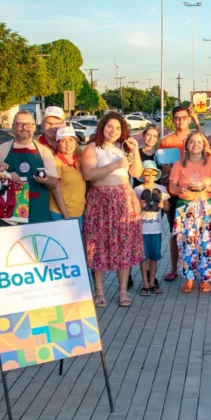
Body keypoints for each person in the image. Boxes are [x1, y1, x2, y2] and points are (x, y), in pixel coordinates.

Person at [81, 111, 144, 308]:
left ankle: (123, 290)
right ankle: (99, 290)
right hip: (100, 201)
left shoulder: (124, 147)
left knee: (123, 245)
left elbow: (136, 173)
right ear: (102, 127)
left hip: (123, 200)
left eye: (118, 128)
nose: (113, 131)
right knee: (98, 245)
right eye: (110, 126)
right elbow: (89, 174)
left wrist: (134, 152)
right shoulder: (93, 147)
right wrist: (116, 164)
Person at [169, 131, 211, 293]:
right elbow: (172, 187)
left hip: (207, 206)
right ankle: (189, 277)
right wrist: (182, 189)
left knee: (206, 243)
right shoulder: (179, 164)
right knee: (187, 243)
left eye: (199, 142)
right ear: (186, 145)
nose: (195, 145)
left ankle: (205, 278)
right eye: (192, 142)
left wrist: (206, 189)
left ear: (204, 145)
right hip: (186, 207)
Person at [0, 110, 67, 225]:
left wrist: (46, 180)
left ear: (34, 127)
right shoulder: (2, 150)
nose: (24, 127)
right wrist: (6, 176)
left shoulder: (44, 152)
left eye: (28, 124)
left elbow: (54, 183)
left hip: (38, 211)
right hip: (9, 214)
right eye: (19, 124)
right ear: (13, 127)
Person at [160, 105, 207, 282]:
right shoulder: (167, 142)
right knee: (176, 233)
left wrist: (197, 120)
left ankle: (199, 267)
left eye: (184, 117)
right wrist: (173, 177)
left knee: (199, 233)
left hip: (198, 196)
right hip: (176, 196)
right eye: (177, 118)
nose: (181, 121)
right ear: (173, 120)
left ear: (189, 119)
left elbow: (207, 151)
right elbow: (164, 172)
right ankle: (174, 268)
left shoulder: (196, 138)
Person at [134, 161, 169, 296]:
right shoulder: (137, 190)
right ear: (142, 174)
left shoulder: (161, 188)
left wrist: (161, 205)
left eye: (152, 172)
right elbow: (132, 209)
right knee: (143, 257)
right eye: (146, 172)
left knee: (154, 255)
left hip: (156, 229)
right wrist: (139, 205)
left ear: (156, 174)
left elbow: (167, 208)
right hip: (142, 229)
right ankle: (144, 282)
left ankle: (153, 280)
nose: (149, 175)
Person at [50, 126, 86, 227]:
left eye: (71, 140)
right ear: (57, 143)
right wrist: (66, 217)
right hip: (61, 214)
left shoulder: (80, 160)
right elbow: (55, 191)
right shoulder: (55, 161)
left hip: (79, 213)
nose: (68, 144)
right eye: (63, 141)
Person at [133, 124, 160, 188]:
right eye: (148, 135)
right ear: (143, 135)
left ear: (157, 138)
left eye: (155, 136)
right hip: (138, 192)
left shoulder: (160, 155)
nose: (151, 138)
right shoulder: (136, 153)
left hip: (156, 193)